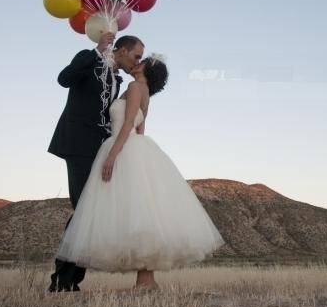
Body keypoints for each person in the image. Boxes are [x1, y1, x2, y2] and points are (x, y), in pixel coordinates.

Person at [55, 54, 226, 290]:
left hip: (121, 146)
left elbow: (127, 125)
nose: (137, 62)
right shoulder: (146, 93)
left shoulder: (135, 86)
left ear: (147, 68)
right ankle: (145, 280)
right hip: (135, 147)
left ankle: (144, 280)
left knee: (130, 211)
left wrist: (113, 155)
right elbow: (140, 128)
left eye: (141, 60)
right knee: (138, 211)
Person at [47, 34, 145, 292]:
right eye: (136, 55)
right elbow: (63, 79)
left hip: (99, 150)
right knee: (83, 210)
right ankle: (63, 281)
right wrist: (95, 51)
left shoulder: (118, 80)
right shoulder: (87, 59)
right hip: (77, 145)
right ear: (121, 50)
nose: (138, 61)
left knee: (89, 212)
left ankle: (69, 281)